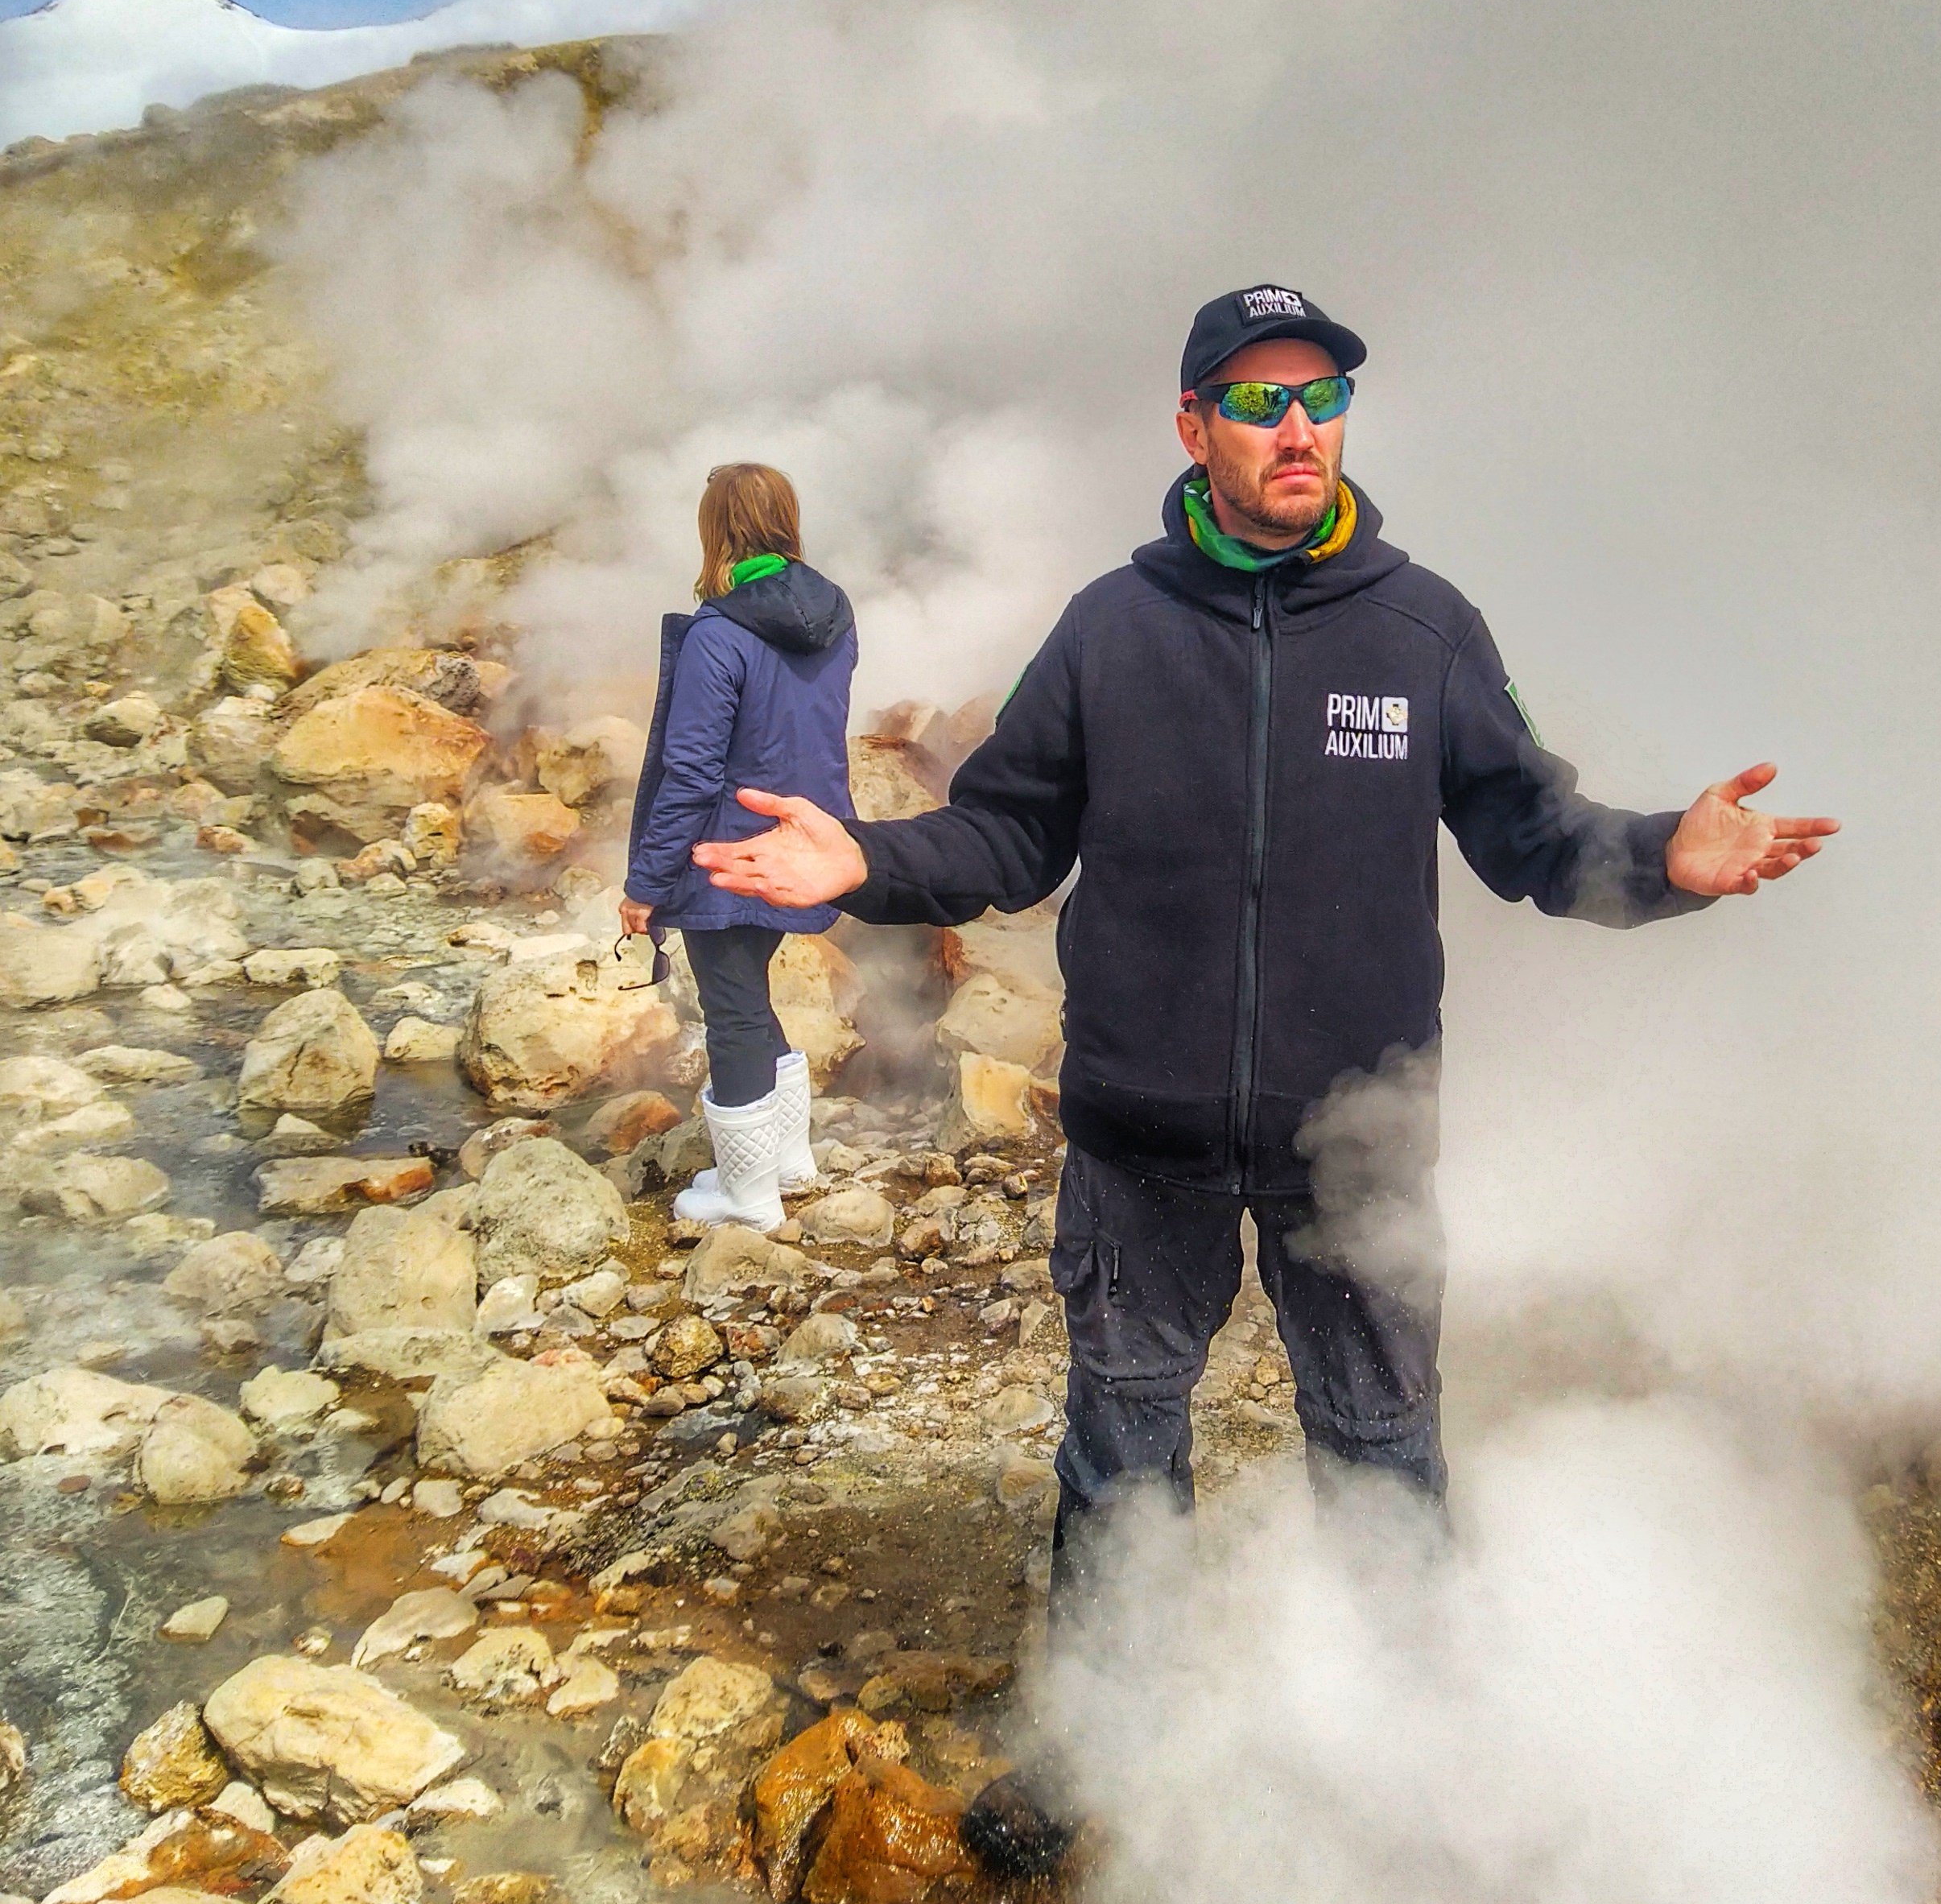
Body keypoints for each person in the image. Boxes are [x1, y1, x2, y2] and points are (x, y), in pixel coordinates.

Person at [692, 283, 1837, 1566]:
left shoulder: (1424, 629)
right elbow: (1006, 836)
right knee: (1121, 1457)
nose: (1299, 427)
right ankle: (1117, 1700)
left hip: (1358, 1138)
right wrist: (865, 858)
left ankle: (1392, 1695)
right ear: (1195, 428)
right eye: (1258, 400)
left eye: (1323, 396)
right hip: (1139, 1140)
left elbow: (1534, 835)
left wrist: (1663, 856)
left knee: (1382, 1450)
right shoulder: (1110, 629)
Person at [620, 461, 860, 1232]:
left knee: (731, 1012)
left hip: (724, 853)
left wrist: (646, 884)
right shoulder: (834, 614)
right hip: (800, 841)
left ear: (716, 529)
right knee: (749, 997)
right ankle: (787, 1161)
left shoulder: (719, 634)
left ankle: (747, 1195)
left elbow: (690, 773)